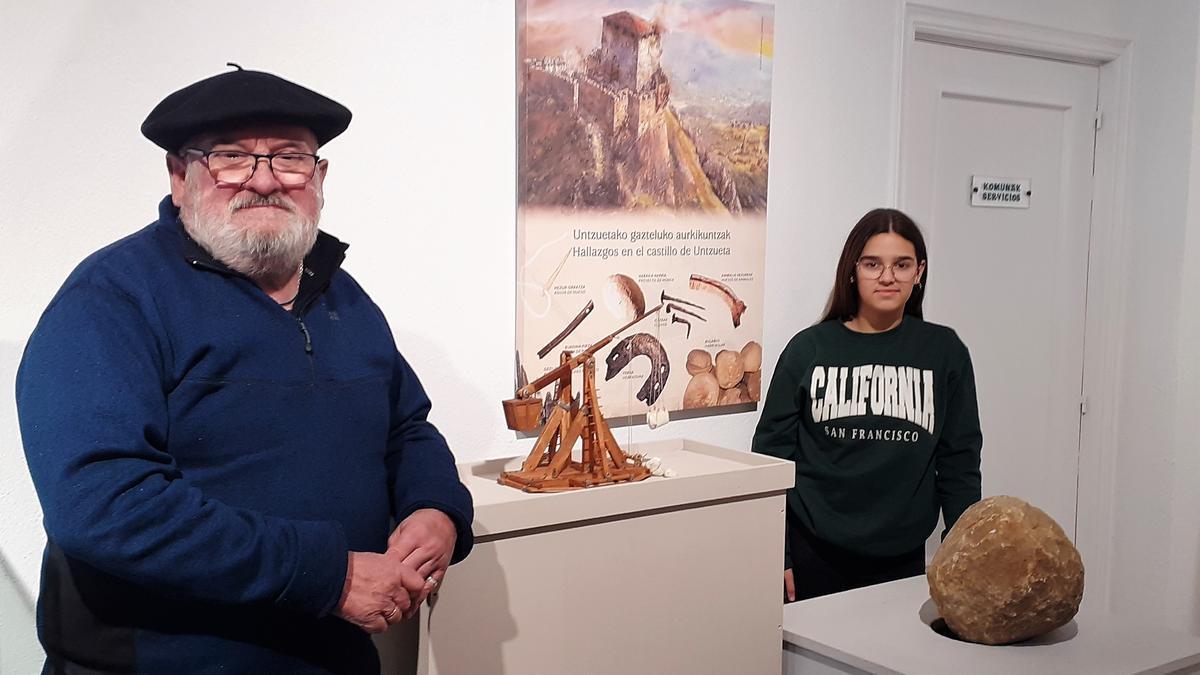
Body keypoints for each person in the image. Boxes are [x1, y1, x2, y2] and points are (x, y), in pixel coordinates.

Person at [16, 65, 474, 673]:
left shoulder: (344, 297)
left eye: (289, 158)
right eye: (231, 158)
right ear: (180, 177)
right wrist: (327, 577)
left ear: (319, 177)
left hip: (334, 657)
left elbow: (406, 428)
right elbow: (104, 504)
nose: (264, 182)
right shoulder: (112, 299)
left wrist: (437, 508)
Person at [752, 208, 982, 603]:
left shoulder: (944, 353)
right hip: (812, 555)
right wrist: (777, 552)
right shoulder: (809, 349)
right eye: (873, 263)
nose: (888, 276)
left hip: (904, 559)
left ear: (919, 272)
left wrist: (962, 551)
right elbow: (771, 458)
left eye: (902, 264)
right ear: (853, 270)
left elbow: (959, 461)